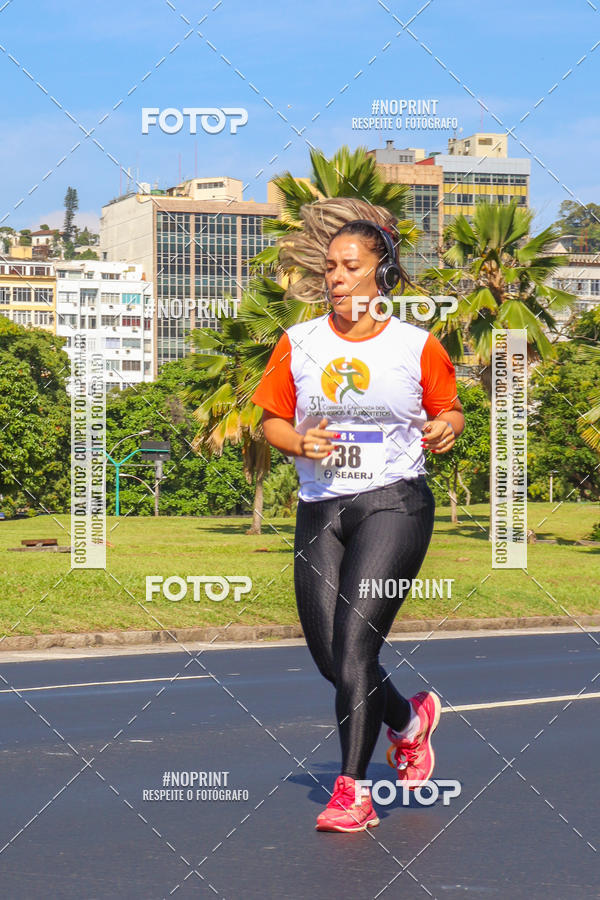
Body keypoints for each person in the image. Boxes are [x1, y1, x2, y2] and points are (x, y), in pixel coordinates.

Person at [251, 198, 464, 833]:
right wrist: (299, 442)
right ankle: (409, 720)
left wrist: (445, 427)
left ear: (381, 273)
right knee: (331, 659)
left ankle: (352, 790)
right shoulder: (298, 342)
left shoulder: (417, 345)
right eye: (330, 268)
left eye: (349, 266)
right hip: (321, 507)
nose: (336, 278)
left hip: (394, 503)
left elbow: (449, 408)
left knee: (353, 652)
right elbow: (270, 422)